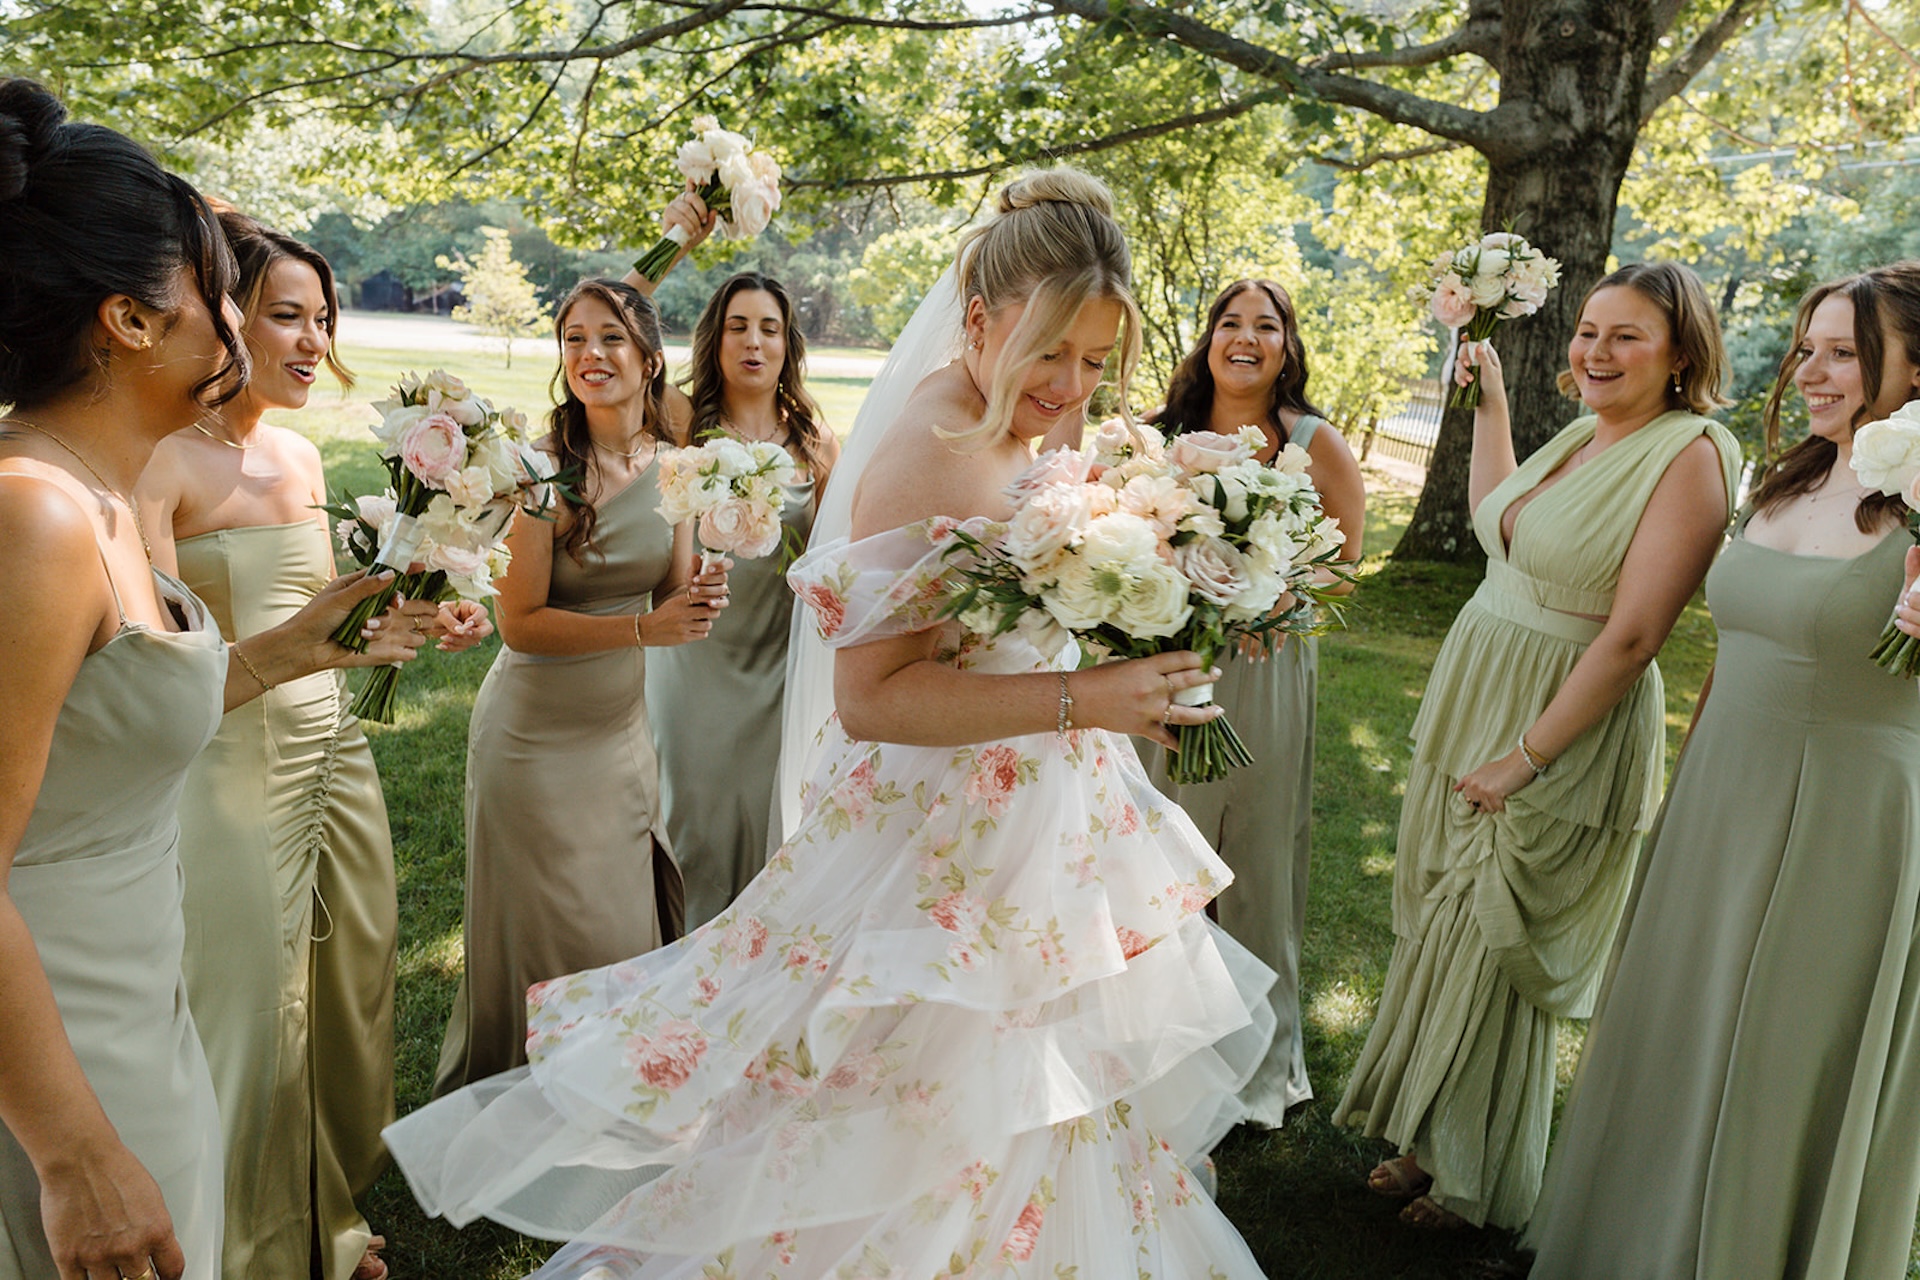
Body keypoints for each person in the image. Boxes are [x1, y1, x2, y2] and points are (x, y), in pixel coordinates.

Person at [383, 167, 1277, 1278]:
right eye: (1052, 352)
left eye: (1097, 360)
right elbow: (873, 695)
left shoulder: (1026, 419)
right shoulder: (924, 451)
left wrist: (1142, 616)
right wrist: (1083, 698)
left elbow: (1014, 605)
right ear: (981, 316)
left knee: (1044, 1118)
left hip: (1041, 831)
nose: (1073, 386)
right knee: (916, 1123)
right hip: (936, 850)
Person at [0, 78, 435, 1280]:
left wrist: (304, 644)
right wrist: (75, 1153)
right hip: (62, 1052)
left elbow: (107, 721)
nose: (241, 320)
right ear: (130, 321)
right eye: (212, 286)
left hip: (151, 997)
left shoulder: (93, 493)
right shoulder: (30, 514)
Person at [1526, 262, 1920, 1277]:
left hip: (1843, 823)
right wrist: (1688, 780)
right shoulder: (1793, 475)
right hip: (1721, 795)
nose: (1817, 371)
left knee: (1778, 1056)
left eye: (1848, 352)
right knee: (1679, 1023)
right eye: (1810, 347)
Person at [1331, 262, 1743, 1231]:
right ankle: (1429, 1138)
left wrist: (1528, 755)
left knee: (1497, 938)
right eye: (1589, 329)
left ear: (1682, 351)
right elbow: (1502, 522)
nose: (1596, 350)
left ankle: (1478, 1179)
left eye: (1626, 335)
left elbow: (1637, 632)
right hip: (1481, 688)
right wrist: (1495, 408)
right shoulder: (1584, 432)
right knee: (1443, 923)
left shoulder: (1692, 450)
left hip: (1559, 718)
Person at [135, 209, 490, 1280]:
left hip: (336, 755)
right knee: (252, 1021)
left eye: (321, 318)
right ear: (223, 316)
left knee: (350, 990)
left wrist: (412, 617)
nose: (309, 339)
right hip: (231, 767)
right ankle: (243, 1249)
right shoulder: (162, 465)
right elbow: (152, 664)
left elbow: (330, 614)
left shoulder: (295, 454)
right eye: (284, 314)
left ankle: (322, 1215)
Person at [430, 278, 728, 1097]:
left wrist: (698, 597)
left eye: (610, 340)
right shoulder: (541, 474)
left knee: (622, 927)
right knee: (546, 932)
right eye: (574, 341)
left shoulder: (674, 471)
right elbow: (521, 620)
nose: (591, 356)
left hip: (620, 737)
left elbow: (670, 594)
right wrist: (644, 629)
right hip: (532, 740)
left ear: (649, 360)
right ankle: (521, 1094)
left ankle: (612, 1089)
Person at [1140, 277, 1366, 1128]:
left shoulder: (1315, 442)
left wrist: (1278, 594)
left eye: (1264, 325)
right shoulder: (1163, 441)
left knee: (1258, 852)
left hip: (1266, 665)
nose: (1245, 337)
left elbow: (1342, 563)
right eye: (1229, 323)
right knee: (1166, 851)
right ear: (1207, 341)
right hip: (1169, 662)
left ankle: (1260, 1071)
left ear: (1286, 347)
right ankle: (1164, 1051)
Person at [646, 271, 840, 927]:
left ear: (788, 344)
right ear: (715, 338)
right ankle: (679, 963)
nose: (753, 342)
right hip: (697, 662)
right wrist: (676, 246)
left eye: (769, 328)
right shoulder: (681, 421)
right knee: (695, 829)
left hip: (782, 667)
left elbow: (834, 555)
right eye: (738, 326)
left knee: (773, 831)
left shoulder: (815, 443)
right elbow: (613, 329)